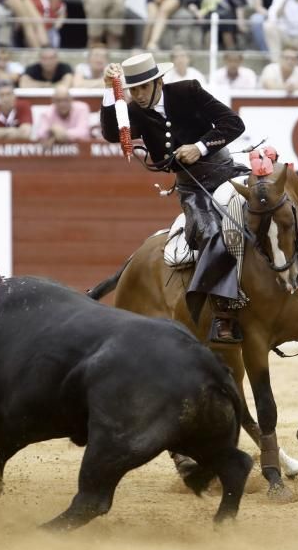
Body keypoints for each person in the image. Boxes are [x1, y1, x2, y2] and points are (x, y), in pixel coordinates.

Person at [99, 52, 248, 343]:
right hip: (192, 187)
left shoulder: (188, 91)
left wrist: (200, 147)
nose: (139, 95)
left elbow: (233, 123)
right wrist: (108, 88)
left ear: (159, 82)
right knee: (209, 233)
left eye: (144, 87)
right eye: (133, 89)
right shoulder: (135, 111)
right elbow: (112, 134)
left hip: (226, 172)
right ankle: (224, 313)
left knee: (275, 208)